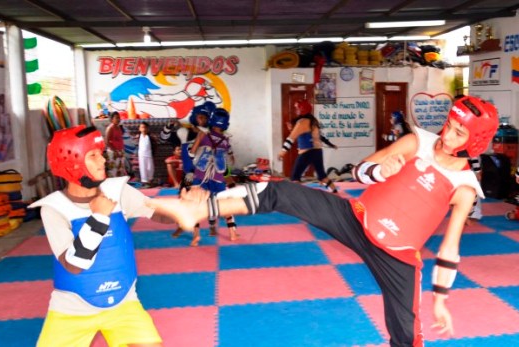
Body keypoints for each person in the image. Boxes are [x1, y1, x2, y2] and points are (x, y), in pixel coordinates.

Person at [150, 96, 499, 346]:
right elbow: (360, 171)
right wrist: (381, 171)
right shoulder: (417, 140)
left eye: (459, 133)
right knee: (281, 191)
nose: (447, 136)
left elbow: (450, 248)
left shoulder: (464, 186)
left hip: (398, 257)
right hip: (355, 218)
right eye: (449, 125)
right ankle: (198, 211)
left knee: (408, 337)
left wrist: (440, 299)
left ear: (475, 142)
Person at [31, 126, 199, 347]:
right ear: (70, 162)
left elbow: (156, 212)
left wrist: (183, 208)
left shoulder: (117, 191)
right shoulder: (54, 208)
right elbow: (74, 264)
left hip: (124, 304)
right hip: (71, 310)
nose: (103, 160)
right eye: (93, 155)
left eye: (101, 153)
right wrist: (99, 217)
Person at [189, 107, 239, 242]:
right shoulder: (226, 140)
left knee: (196, 204)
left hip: (200, 174)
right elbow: (229, 158)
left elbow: (192, 153)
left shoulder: (203, 134)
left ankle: (196, 236)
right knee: (224, 204)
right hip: (217, 176)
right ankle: (232, 233)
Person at [278, 98, 339, 193]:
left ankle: (300, 197)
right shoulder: (313, 121)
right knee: (322, 176)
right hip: (317, 152)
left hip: (307, 152)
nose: (296, 110)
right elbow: (319, 136)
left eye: (297, 108)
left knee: (295, 177)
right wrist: (330, 144)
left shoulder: (302, 122)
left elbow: (291, 138)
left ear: (302, 109)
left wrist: (282, 152)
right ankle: (335, 192)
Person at [104, 112, 127, 178]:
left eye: (119, 118)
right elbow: (107, 141)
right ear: (112, 119)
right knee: (113, 171)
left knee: (121, 170)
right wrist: (115, 151)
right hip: (113, 152)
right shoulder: (110, 128)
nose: (118, 119)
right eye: (116, 118)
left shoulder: (118, 127)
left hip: (120, 151)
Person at [137, 122, 155, 186]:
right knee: (143, 168)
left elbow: (154, 145)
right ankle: (144, 182)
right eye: (142, 127)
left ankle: (150, 180)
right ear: (139, 129)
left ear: (147, 129)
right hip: (141, 155)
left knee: (150, 168)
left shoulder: (150, 137)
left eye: (145, 127)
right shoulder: (138, 137)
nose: (144, 129)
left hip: (149, 154)